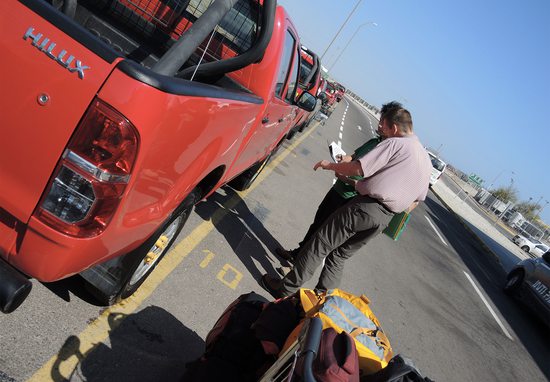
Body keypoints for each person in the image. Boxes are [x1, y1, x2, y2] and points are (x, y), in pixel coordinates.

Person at [261, 106, 432, 298]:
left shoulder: (395, 143)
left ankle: (285, 289)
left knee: (320, 243)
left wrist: (330, 165)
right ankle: (322, 301)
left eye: (383, 124)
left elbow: (359, 168)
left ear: (393, 127)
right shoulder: (425, 159)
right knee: (339, 255)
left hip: (364, 208)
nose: (380, 128)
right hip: (384, 219)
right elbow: (416, 201)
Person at [275, 101, 403, 264]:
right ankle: (297, 254)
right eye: (380, 119)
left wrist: (339, 171)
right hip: (339, 189)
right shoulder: (374, 142)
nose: (379, 123)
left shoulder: (387, 151)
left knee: (324, 235)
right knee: (318, 223)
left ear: (393, 126)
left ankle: (299, 266)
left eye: (383, 121)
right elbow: (354, 156)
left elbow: (370, 177)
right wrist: (344, 159)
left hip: (351, 198)